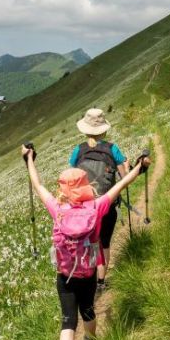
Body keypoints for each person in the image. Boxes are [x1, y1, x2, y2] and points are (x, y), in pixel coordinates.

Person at [22, 143, 149, 340]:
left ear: (63, 190)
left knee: (68, 321)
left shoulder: (57, 209)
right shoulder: (96, 207)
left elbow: (37, 186)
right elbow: (120, 186)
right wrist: (140, 166)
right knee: (88, 312)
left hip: (64, 277)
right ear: (85, 186)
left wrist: (29, 159)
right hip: (88, 275)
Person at [69, 108, 129, 291]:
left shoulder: (78, 151)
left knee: (89, 241)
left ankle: (87, 277)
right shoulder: (113, 149)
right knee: (105, 242)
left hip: (84, 206)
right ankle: (101, 282)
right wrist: (127, 167)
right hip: (107, 205)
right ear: (104, 130)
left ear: (85, 130)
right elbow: (124, 178)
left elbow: (72, 177)